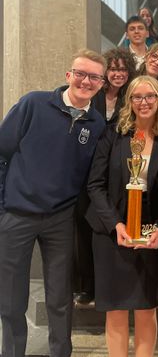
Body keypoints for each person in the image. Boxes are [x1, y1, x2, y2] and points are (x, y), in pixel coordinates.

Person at [0, 49, 106, 357]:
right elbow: (2, 152)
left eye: (94, 77)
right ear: (69, 75)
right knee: (11, 297)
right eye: (81, 74)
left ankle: (61, 352)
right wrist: (3, 204)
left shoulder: (97, 124)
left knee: (60, 297)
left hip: (60, 218)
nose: (86, 81)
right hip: (16, 215)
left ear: (101, 83)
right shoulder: (34, 103)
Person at [85, 76, 158, 357]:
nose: (144, 102)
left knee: (145, 307)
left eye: (150, 96)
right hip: (111, 233)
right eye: (137, 97)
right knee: (114, 309)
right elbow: (95, 185)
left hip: (149, 235)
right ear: (129, 102)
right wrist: (115, 225)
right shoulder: (113, 133)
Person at [74, 48, 136, 305]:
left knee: (111, 226)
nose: (118, 74)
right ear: (105, 72)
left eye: (123, 69)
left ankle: (112, 283)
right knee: (84, 228)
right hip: (85, 167)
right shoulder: (93, 94)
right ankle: (87, 285)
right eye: (113, 69)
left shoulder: (131, 97)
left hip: (116, 171)